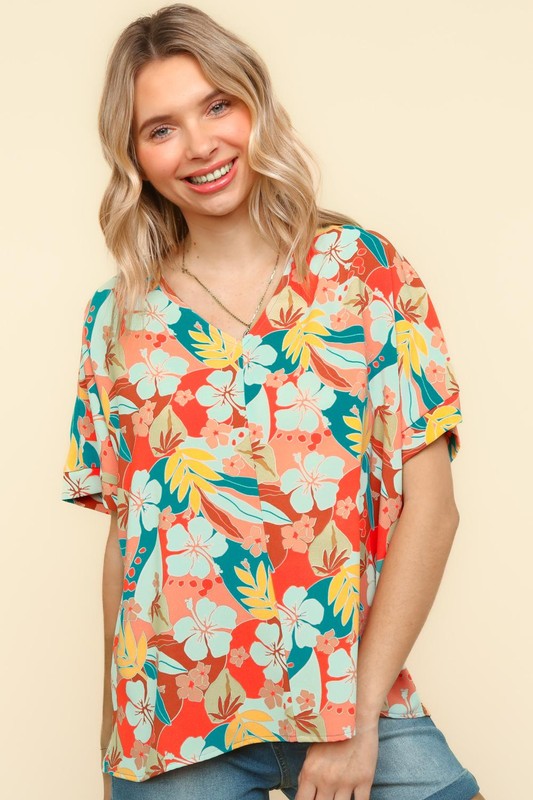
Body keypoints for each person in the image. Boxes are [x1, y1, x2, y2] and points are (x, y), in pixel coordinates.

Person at [61, 5, 485, 799]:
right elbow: (127, 541)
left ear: (254, 106)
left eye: (216, 105)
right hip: (171, 725)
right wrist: (111, 741)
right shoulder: (116, 319)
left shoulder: (362, 273)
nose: (199, 145)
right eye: (161, 129)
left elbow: (433, 511)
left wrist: (358, 719)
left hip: (352, 699)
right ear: (134, 157)